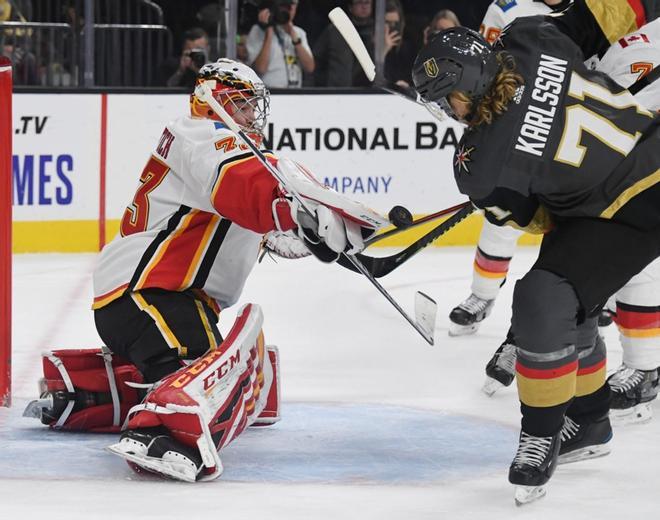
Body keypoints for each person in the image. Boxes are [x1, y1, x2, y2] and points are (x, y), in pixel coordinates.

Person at [23, 58, 387, 482]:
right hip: (145, 294)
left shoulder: (224, 147)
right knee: (210, 378)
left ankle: (89, 395)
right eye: (242, 104)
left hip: (162, 300)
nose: (252, 115)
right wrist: (299, 210)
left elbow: (265, 223)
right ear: (212, 98)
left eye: (254, 105)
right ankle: (161, 434)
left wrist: (313, 234)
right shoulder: (200, 134)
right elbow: (245, 184)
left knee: (239, 377)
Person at [412, 0, 658, 504]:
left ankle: (543, 433)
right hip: (639, 169)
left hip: (630, 203)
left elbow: (539, 218)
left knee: (547, 298)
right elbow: (611, 12)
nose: (447, 112)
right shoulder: (530, 38)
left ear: (466, 86)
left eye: (447, 100)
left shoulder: (476, 166)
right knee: (562, 299)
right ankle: (586, 423)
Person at [485, 17, 660, 427]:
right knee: (586, 252)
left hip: (638, 161)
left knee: (627, 255)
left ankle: (645, 368)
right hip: (618, 156)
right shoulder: (619, 29)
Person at [449, 0, 571, 337]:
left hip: (573, 125)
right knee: (501, 213)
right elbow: (481, 67)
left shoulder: (596, 8)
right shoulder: (507, 7)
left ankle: (600, 302)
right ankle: (482, 295)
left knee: (588, 223)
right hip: (520, 128)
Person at [245, 0, 314, 88]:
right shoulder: (258, 31)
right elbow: (260, 69)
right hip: (269, 93)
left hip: (294, 94)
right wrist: (269, 32)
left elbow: (310, 68)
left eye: (293, 5)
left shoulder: (299, 33)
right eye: (285, 5)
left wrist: (294, 36)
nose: (290, 9)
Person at [313, 0, 374, 87]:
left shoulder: (379, 32)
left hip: (370, 93)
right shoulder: (335, 30)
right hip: (338, 92)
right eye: (359, 2)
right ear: (350, 7)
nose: (364, 6)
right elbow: (316, 60)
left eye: (367, 2)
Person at [382, 0, 416, 87]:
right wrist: (383, 51)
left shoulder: (407, 49)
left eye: (395, 24)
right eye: (388, 23)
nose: (392, 28)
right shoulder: (370, 47)